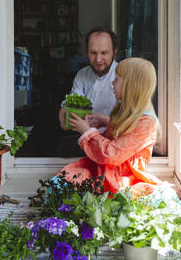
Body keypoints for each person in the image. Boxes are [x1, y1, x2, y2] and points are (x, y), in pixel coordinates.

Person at [60, 57, 161, 195]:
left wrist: (87, 131)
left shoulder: (147, 124)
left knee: (70, 187)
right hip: (105, 171)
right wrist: (106, 121)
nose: (112, 83)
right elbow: (125, 130)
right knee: (61, 181)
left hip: (121, 179)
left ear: (131, 86)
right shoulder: (125, 113)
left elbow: (111, 154)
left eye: (117, 79)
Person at [58, 27, 118, 131]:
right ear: (87, 52)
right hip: (84, 137)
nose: (98, 59)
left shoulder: (124, 75)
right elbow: (74, 100)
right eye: (93, 53)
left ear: (114, 52)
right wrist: (65, 108)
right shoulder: (82, 74)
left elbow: (133, 122)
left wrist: (106, 121)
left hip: (114, 140)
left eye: (104, 53)